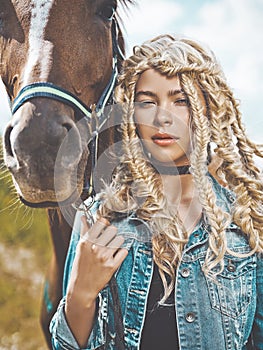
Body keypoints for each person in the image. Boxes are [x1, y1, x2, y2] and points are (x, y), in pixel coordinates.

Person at [50, 34, 263, 349]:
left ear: (207, 108)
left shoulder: (247, 219)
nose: (162, 117)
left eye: (181, 101)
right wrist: (80, 295)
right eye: (147, 101)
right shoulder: (100, 218)